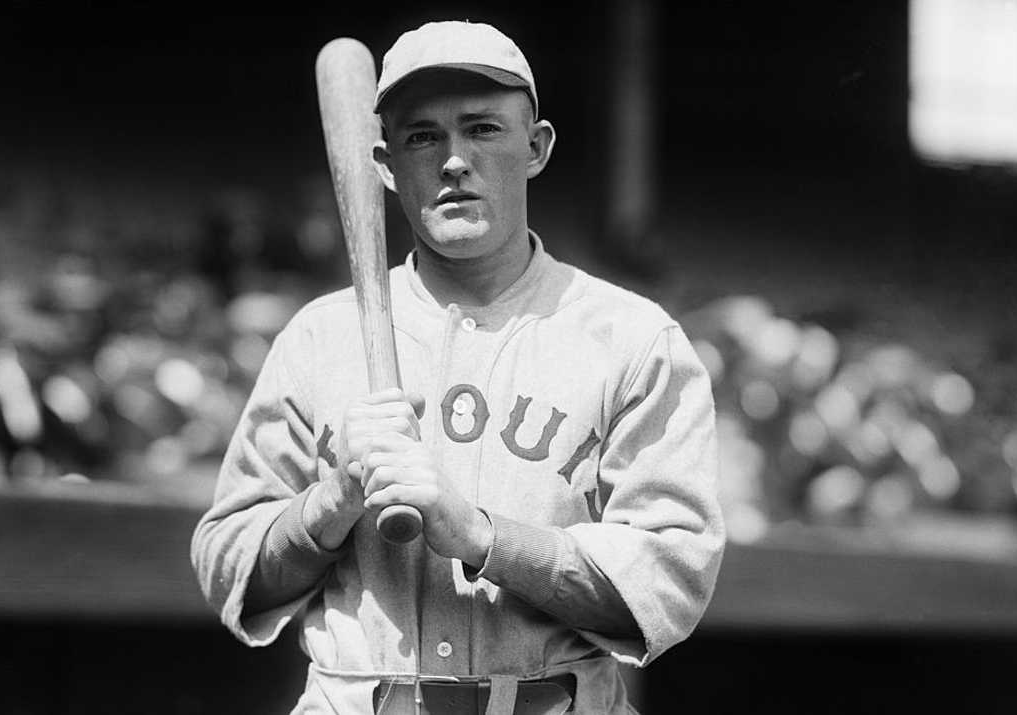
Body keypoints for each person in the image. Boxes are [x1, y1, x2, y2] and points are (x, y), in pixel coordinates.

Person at [192, 20, 725, 714]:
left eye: (482, 129)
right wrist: (332, 499)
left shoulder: (632, 339)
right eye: (422, 136)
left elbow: (671, 579)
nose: (452, 159)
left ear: (536, 148)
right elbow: (228, 568)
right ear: (383, 166)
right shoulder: (318, 338)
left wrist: (480, 535)